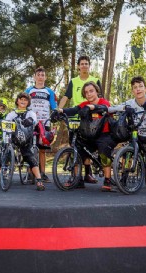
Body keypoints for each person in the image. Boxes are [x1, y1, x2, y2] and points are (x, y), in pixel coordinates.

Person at [53, 81, 116, 192]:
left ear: (97, 91)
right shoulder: (84, 104)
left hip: (104, 135)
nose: (89, 94)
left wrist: (91, 107)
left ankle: (107, 180)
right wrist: (60, 111)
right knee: (77, 149)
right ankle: (78, 180)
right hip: (90, 136)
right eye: (86, 92)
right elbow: (74, 110)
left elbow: (104, 108)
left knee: (104, 151)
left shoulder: (104, 102)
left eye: (91, 91)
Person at [0, 92, 45, 191]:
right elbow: (6, 126)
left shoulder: (30, 113)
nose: (23, 101)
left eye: (25, 100)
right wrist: (5, 141)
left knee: (29, 156)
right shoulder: (11, 114)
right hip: (13, 140)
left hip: (26, 140)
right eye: (21, 99)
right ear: (17, 101)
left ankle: (39, 180)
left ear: (28, 102)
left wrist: (29, 121)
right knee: (3, 156)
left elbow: (34, 120)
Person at [58, 55, 102, 184]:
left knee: (86, 145)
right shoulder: (74, 81)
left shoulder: (95, 79)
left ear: (89, 66)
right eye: (81, 63)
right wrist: (59, 110)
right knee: (74, 145)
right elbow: (66, 97)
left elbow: (101, 97)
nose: (84, 65)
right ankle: (76, 176)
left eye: (86, 63)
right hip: (75, 116)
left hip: (90, 116)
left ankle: (88, 173)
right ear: (78, 66)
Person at [25, 66, 57, 183]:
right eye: (38, 75)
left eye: (42, 75)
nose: (40, 77)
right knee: (29, 147)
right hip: (31, 122)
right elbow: (23, 105)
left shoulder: (49, 92)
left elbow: (54, 107)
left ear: (45, 77)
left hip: (45, 123)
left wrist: (56, 114)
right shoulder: (29, 91)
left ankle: (43, 173)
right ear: (34, 77)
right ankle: (29, 173)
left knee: (42, 150)